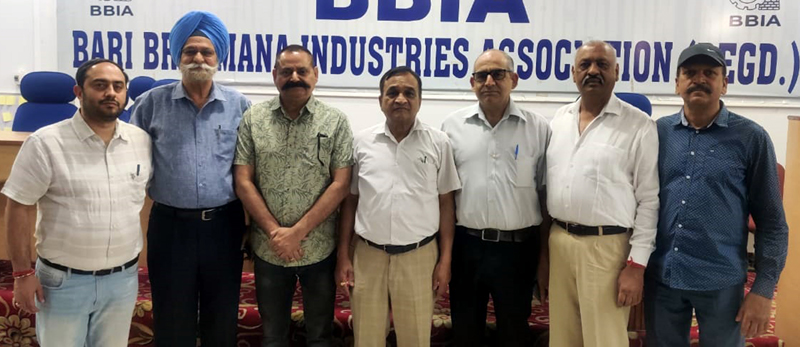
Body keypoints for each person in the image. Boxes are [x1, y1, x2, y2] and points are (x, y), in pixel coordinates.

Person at [645, 43, 789, 347]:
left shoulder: (751, 138)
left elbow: (773, 223)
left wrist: (763, 288)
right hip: (663, 278)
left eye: (710, 73)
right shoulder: (658, 133)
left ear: (724, 83)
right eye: (690, 73)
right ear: (677, 84)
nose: (699, 79)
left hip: (721, 282)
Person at [3, 58, 150, 347]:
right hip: (63, 283)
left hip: (122, 281)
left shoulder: (141, 141)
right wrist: (21, 273)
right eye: (100, 85)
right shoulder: (46, 143)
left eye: (118, 86)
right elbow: (18, 206)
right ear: (79, 92)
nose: (111, 92)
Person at [130, 11, 250, 347]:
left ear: (218, 57)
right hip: (170, 226)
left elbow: (252, 170)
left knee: (222, 314)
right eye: (189, 51)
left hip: (223, 226)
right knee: (171, 315)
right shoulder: (150, 104)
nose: (198, 58)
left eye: (206, 52)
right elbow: (128, 164)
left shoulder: (240, 106)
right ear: (177, 57)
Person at [233, 44, 354, 347]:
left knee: (319, 336)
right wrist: (277, 233)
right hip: (269, 249)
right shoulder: (253, 119)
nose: (295, 77)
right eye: (286, 71)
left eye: (302, 71)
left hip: (319, 250)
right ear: (275, 75)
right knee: (273, 336)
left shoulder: (335, 121)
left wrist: (297, 233)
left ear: (316, 74)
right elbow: (243, 180)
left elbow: (340, 184)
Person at [336, 66, 460, 347]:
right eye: (392, 92)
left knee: (415, 339)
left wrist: (445, 260)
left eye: (409, 93)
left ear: (419, 100)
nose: (400, 99)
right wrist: (344, 254)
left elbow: (446, 203)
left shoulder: (438, 143)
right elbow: (351, 201)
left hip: (420, 257)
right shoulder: (361, 143)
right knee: (366, 340)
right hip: (368, 256)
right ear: (380, 100)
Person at [545, 40, 659, 347]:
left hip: (607, 249)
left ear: (616, 72)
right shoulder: (557, 121)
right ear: (573, 73)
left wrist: (637, 265)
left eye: (602, 64)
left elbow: (649, 200)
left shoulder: (639, 125)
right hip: (560, 242)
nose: (593, 71)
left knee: (604, 340)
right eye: (585, 65)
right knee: (563, 339)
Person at [441, 49, 551, 346]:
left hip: (518, 250)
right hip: (467, 247)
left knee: (514, 333)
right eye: (481, 75)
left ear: (513, 79)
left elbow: (545, 196)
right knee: (465, 332)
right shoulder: (451, 128)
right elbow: (446, 198)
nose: (489, 81)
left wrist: (544, 258)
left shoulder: (538, 128)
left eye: (498, 74)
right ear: (472, 82)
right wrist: (445, 255)